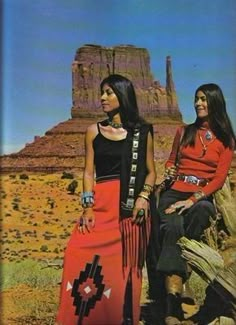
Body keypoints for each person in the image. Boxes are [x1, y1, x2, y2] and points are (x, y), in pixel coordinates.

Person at [56, 74, 156, 325]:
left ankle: (120, 316)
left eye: (109, 92)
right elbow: (88, 172)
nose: (102, 98)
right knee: (75, 251)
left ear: (123, 96)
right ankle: (82, 317)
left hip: (129, 207)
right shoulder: (93, 131)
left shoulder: (142, 132)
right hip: (100, 205)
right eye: (102, 92)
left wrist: (143, 198)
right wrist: (87, 207)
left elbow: (152, 171)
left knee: (123, 266)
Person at [149, 83, 235, 325]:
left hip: (199, 197)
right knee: (174, 227)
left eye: (204, 99)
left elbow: (218, 178)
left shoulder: (226, 139)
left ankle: (176, 279)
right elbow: (171, 161)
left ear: (215, 102)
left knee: (201, 212)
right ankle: (173, 302)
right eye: (197, 98)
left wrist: (193, 199)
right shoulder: (183, 131)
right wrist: (168, 172)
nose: (198, 103)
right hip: (174, 192)